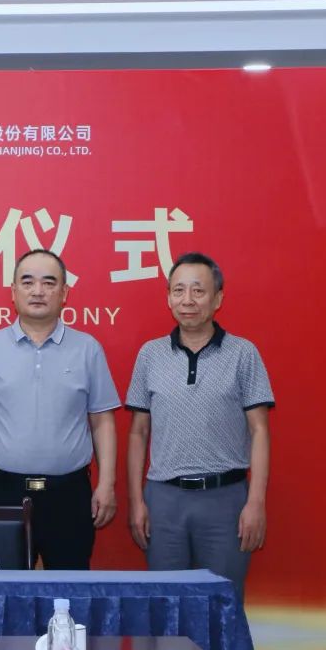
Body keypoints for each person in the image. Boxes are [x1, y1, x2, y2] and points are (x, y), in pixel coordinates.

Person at [0, 249, 119, 570]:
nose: (38, 291)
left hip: (69, 494)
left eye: (49, 282)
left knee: (70, 588)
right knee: (3, 590)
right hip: (5, 491)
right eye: (28, 282)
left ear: (64, 293)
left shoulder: (87, 349)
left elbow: (102, 420)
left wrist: (107, 484)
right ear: (13, 291)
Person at [126, 252, 273, 601]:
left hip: (225, 501)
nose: (187, 300)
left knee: (223, 604)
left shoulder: (243, 353)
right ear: (168, 298)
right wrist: (136, 501)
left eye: (198, 290)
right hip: (164, 501)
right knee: (166, 605)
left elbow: (260, 431)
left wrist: (256, 503)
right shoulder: (150, 354)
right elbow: (138, 432)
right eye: (178, 290)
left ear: (218, 298)